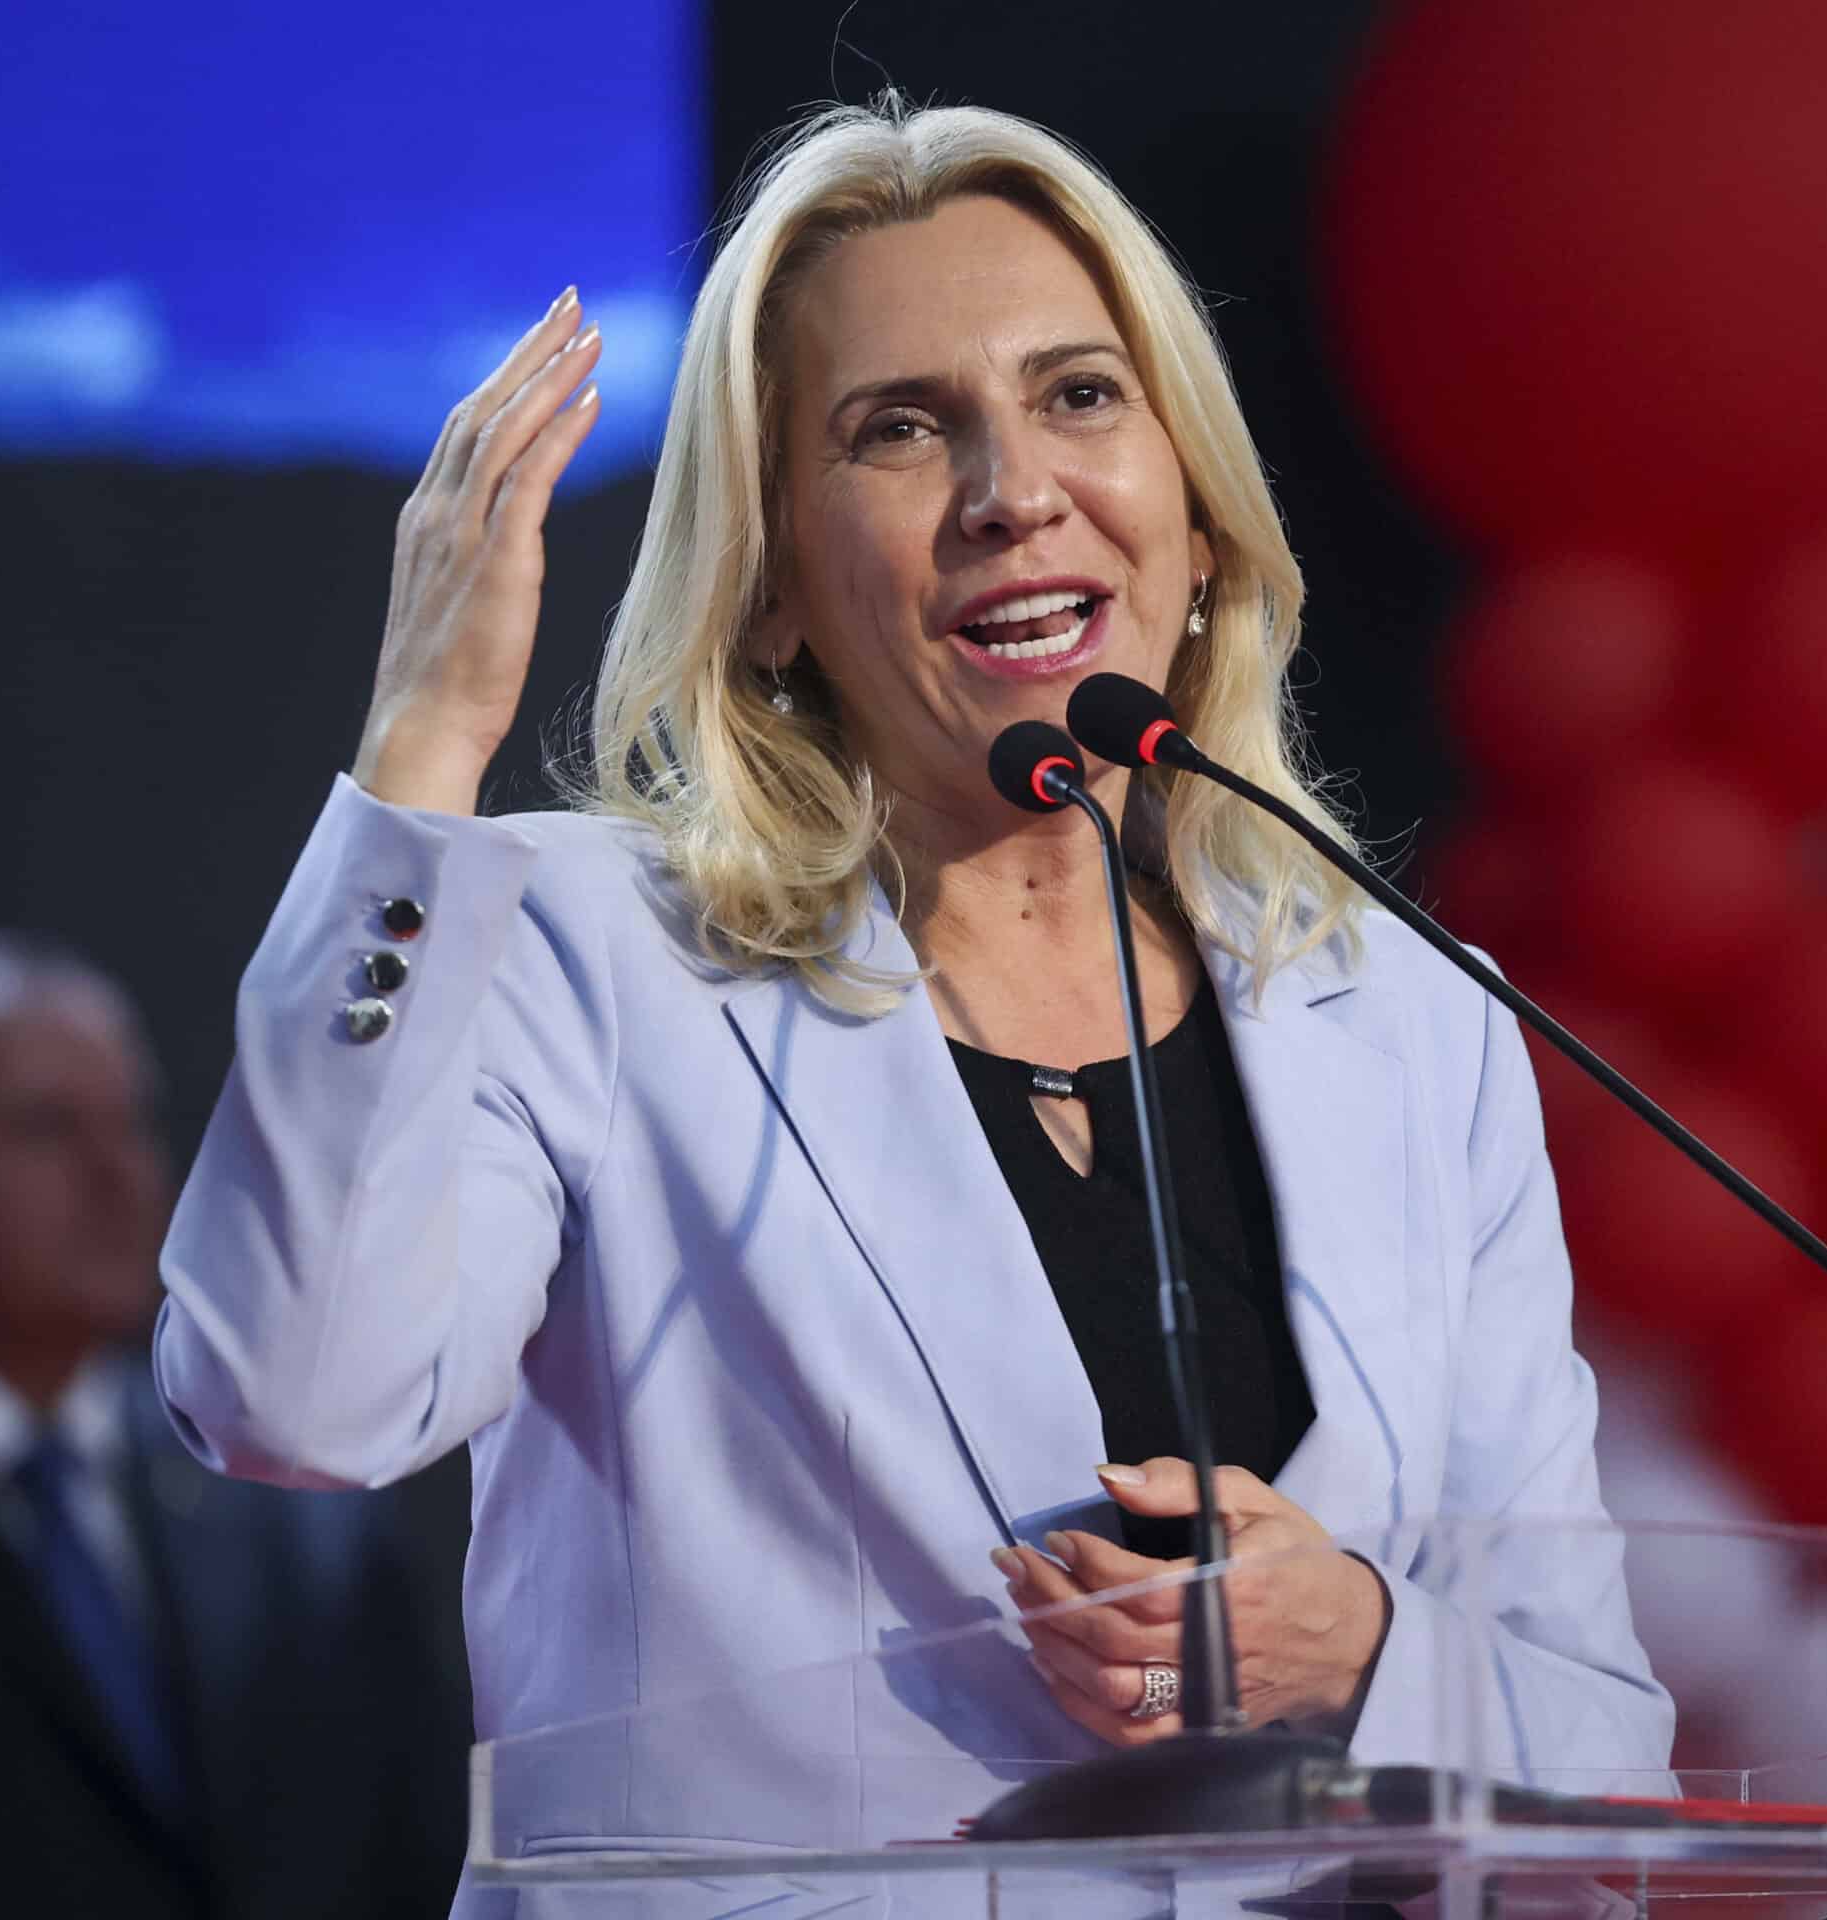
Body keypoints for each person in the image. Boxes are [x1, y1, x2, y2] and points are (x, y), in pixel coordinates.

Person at [154, 96, 1671, 1878]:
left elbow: (1601, 1731)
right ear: (777, 584)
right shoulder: (589, 958)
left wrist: (1363, 1654)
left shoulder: (1413, 1021)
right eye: (899, 428)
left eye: (1081, 396)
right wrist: (426, 748)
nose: (1014, 489)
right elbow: (291, 1401)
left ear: (1190, 512)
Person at [0, 934, 472, 1917]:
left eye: (133, 1124)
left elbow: (421, 1854)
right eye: (46, 1127)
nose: (117, 1172)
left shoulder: (304, 1521)